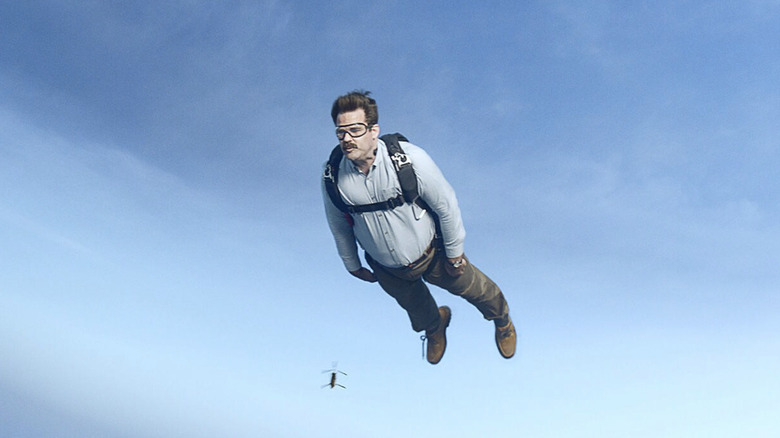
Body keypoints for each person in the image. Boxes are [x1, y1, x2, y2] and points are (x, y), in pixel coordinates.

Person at [321, 90, 516, 364]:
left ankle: (502, 319)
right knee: (416, 308)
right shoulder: (332, 175)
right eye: (341, 132)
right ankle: (436, 328)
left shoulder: (410, 160)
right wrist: (352, 264)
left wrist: (454, 254)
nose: (347, 139)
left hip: (434, 254)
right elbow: (338, 224)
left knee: (477, 289)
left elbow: (446, 205)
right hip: (386, 268)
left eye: (355, 129)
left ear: (374, 130)